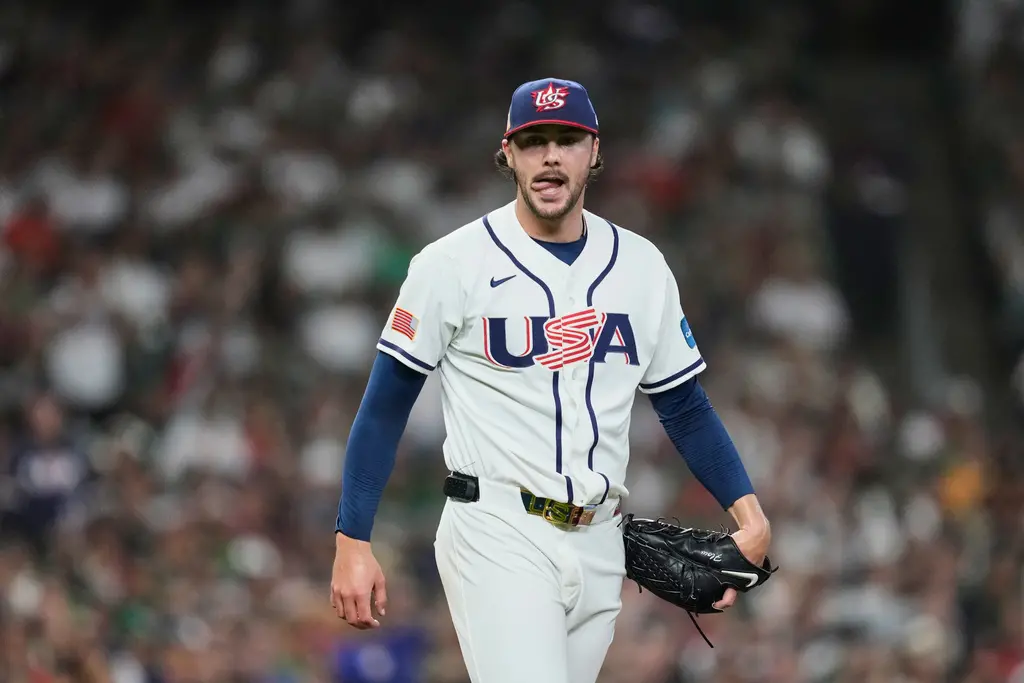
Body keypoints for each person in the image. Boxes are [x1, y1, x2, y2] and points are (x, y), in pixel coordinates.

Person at [330, 78, 772, 683]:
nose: (550, 156)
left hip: (601, 539)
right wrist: (352, 539)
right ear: (508, 154)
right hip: (496, 528)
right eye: (534, 141)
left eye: (567, 140)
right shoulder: (451, 263)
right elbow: (385, 408)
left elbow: (684, 406)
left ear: (594, 151)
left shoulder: (641, 266)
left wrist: (749, 515)